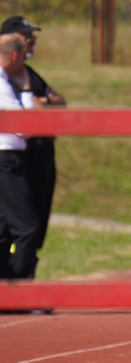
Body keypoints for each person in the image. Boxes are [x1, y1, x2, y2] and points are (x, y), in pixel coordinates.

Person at [0, 15, 65, 253]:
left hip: (40, 157)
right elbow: (27, 119)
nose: (31, 42)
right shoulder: (5, 77)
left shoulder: (27, 73)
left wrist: (44, 101)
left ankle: (22, 282)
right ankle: (15, 283)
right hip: (17, 159)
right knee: (21, 228)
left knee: (33, 229)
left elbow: (60, 102)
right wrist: (38, 105)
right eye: (26, 37)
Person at [0, 33, 39, 279]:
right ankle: (20, 290)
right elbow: (26, 126)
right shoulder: (2, 84)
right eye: (24, 57)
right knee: (27, 227)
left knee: (3, 229)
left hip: (7, 158)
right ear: (15, 55)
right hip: (6, 160)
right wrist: (26, 89)